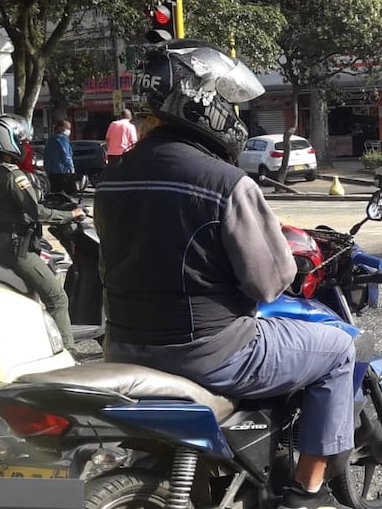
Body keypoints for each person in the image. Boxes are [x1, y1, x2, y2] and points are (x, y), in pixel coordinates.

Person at [93, 38, 355, 509]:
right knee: (337, 348)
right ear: (203, 103)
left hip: (123, 346)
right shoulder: (226, 182)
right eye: (228, 102)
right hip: (209, 354)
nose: (235, 115)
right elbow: (268, 284)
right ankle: (305, 492)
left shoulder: (112, 177)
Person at [0, 113, 84, 350]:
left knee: (28, 297)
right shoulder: (12, 174)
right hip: (14, 248)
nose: (25, 146)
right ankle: (68, 354)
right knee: (57, 298)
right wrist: (71, 214)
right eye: (21, 141)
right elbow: (37, 212)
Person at [44, 119, 77, 197]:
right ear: (60, 128)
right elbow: (66, 155)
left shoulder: (50, 140)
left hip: (51, 172)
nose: (69, 131)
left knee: (55, 194)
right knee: (69, 195)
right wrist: (71, 168)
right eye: (67, 128)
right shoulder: (62, 139)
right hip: (63, 172)